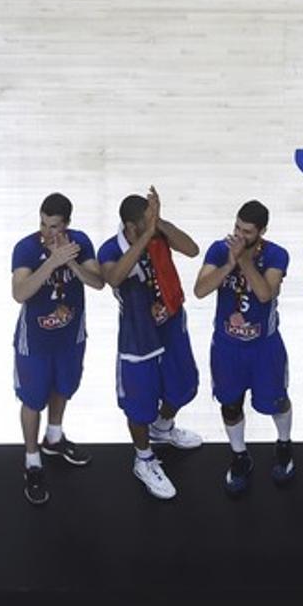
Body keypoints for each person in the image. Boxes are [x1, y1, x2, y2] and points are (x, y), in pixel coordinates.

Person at [97, 187, 202, 500]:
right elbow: (114, 278)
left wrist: (160, 223)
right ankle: (143, 459)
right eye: (147, 221)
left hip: (170, 322)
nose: (153, 225)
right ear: (131, 227)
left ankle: (163, 426)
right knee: (139, 402)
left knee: (185, 384)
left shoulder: (157, 233)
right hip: (138, 333)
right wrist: (147, 235)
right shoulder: (110, 250)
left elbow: (193, 249)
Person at [194, 200, 294, 495]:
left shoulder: (276, 255)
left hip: (264, 347)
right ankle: (239, 456)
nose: (239, 235)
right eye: (237, 227)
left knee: (276, 401)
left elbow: (265, 294)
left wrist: (245, 261)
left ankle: (284, 445)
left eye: (247, 231)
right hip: (227, 347)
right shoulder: (218, 249)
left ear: (262, 232)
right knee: (230, 404)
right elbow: (200, 290)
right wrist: (229, 263)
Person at [11, 193, 104, 505]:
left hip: (70, 337)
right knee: (32, 399)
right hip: (35, 342)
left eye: (53, 226)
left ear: (67, 224)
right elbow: (20, 292)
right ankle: (32, 459)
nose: (46, 232)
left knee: (63, 387)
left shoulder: (80, 243)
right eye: (42, 223)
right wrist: (51, 261)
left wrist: (71, 261)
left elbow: (98, 282)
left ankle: (54, 437)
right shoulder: (26, 248)